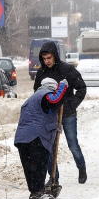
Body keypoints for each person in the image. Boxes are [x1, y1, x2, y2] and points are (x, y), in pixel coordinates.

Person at [32, 41, 88, 185]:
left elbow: (81, 88)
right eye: (44, 59)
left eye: (49, 58)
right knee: (50, 146)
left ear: (55, 55)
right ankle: (53, 178)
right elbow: (36, 92)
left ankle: (81, 168)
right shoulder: (41, 72)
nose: (47, 61)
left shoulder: (67, 69)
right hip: (50, 114)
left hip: (67, 113)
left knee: (72, 144)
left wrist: (71, 104)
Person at [14, 78, 68, 199]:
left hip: (23, 138)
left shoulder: (34, 98)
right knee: (39, 166)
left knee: (30, 168)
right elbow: (55, 100)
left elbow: (44, 113)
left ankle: (35, 193)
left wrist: (56, 126)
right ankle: (38, 193)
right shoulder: (46, 95)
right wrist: (63, 86)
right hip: (36, 137)